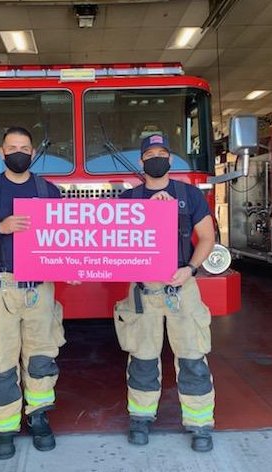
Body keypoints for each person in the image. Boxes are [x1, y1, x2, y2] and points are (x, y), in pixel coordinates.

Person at [0, 126, 65, 460]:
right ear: (1, 153)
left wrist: (72, 267)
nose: (18, 152)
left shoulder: (48, 191)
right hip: (0, 289)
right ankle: (3, 428)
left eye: (24, 147)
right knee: (1, 361)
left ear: (32, 154)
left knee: (42, 358)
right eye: (12, 147)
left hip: (40, 291)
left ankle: (38, 417)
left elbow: (67, 237)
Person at [113, 133, 217, 452]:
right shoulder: (129, 200)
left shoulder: (189, 195)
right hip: (144, 289)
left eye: (162, 153)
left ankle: (200, 424)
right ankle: (141, 418)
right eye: (150, 154)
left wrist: (191, 269)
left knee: (192, 356)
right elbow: (113, 245)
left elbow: (207, 238)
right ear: (142, 162)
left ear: (170, 159)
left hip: (182, 285)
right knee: (143, 357)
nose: (156, 158)